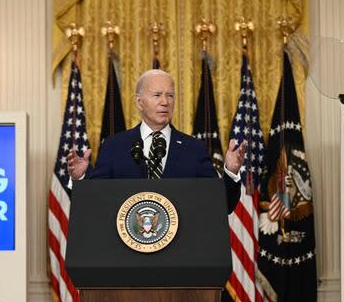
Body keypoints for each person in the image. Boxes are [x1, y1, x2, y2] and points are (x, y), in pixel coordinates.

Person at [67, 69, 246, 212]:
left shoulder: (194, 149)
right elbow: (95, 205)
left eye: (170, 95)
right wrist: (80, 179)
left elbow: (222, 205)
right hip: (126, 253)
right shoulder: (115, 147)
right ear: (139, 102)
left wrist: (231, 172)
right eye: (157, 95)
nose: (165, 102)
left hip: (180, 253)